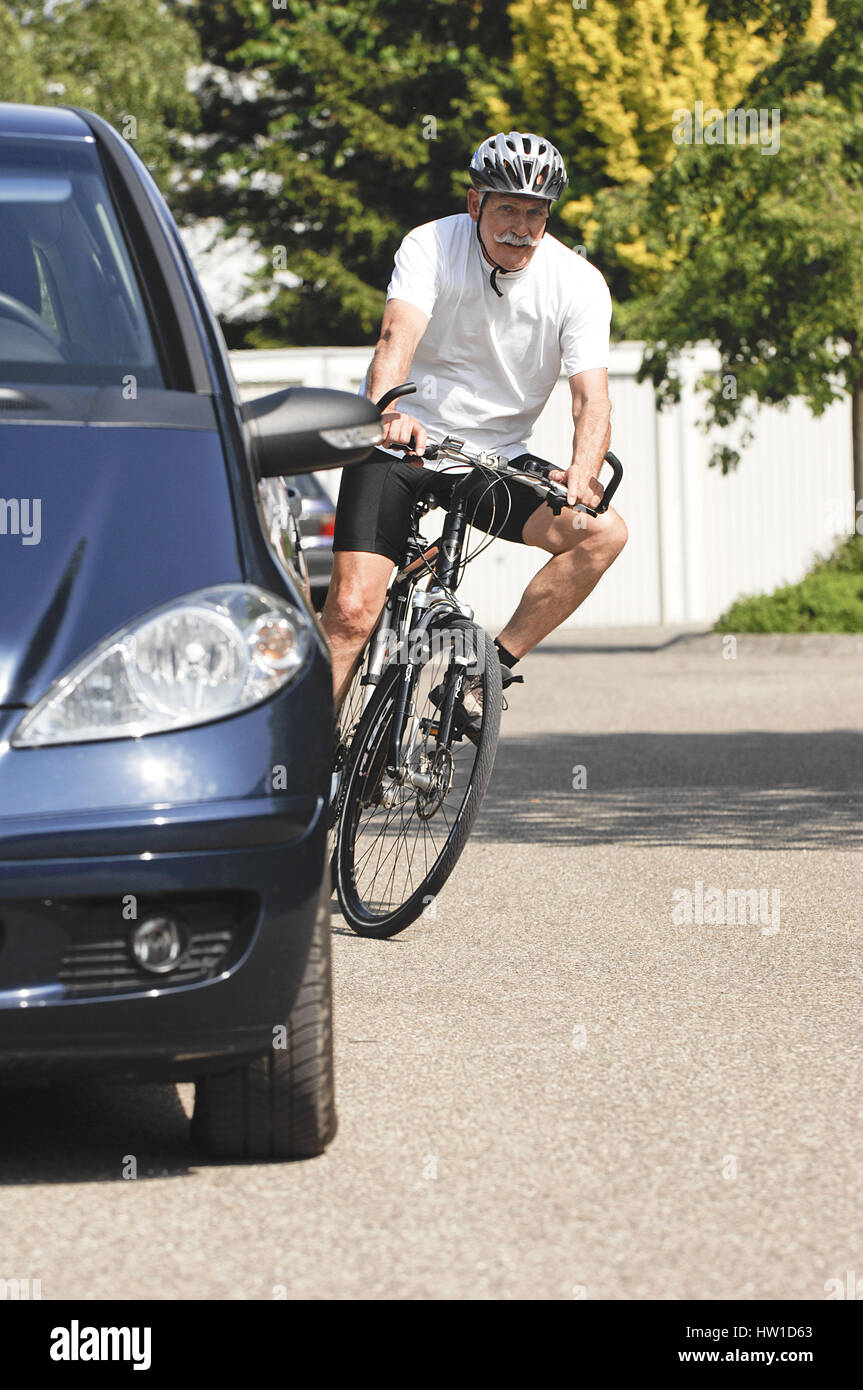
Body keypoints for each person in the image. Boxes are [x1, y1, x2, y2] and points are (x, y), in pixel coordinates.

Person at [320, 130, 627, 736]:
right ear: (474, 203)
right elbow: (395, 339)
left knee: (602, 536)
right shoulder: (430, 244)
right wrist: (386, 410)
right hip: (403, 441)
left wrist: (583, 473)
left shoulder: (579, 282)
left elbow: (592, 396)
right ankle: (300, 776)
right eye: (507, 207)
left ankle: (489, 671)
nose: (521, 225)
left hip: (494, 461)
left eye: (535, 212)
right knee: (352, 612)